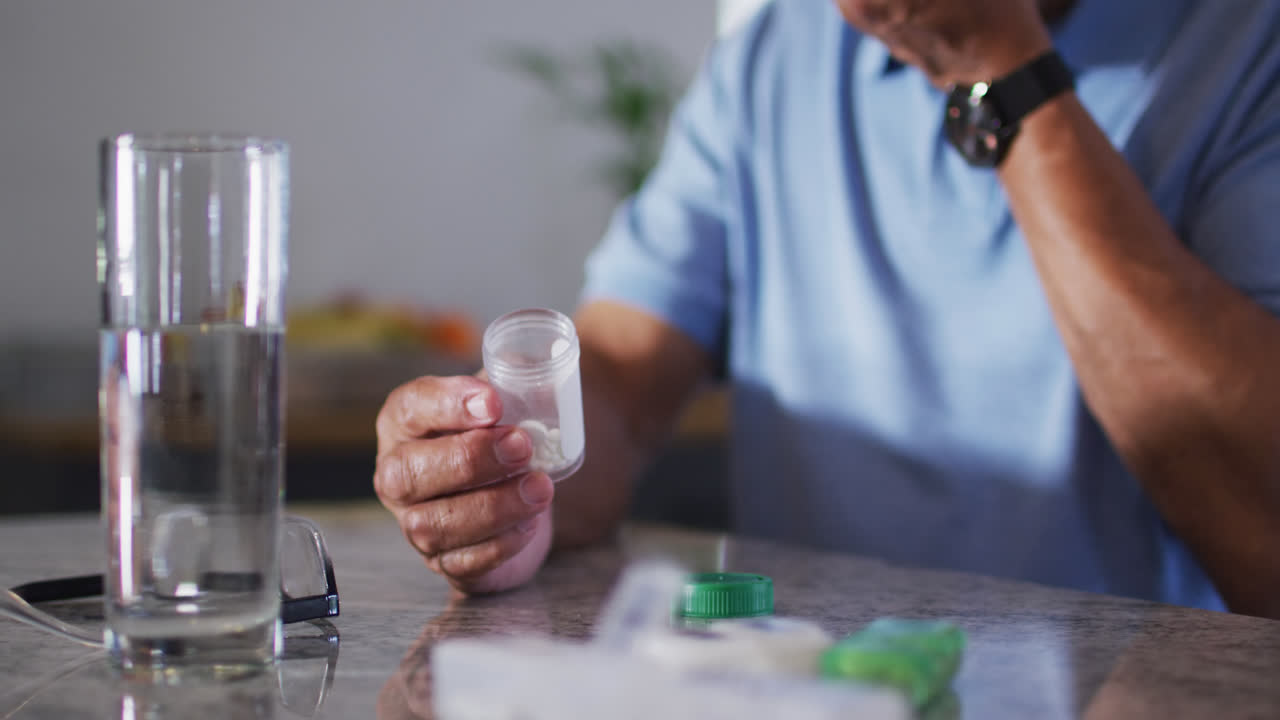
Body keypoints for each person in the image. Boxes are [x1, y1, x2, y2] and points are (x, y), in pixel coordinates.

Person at [373, 0, 1280, 617]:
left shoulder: (1245, 45)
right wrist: (499, 483)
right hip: (808, 689)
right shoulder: (778, 51)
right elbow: (614, 384)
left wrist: (1000, 71)